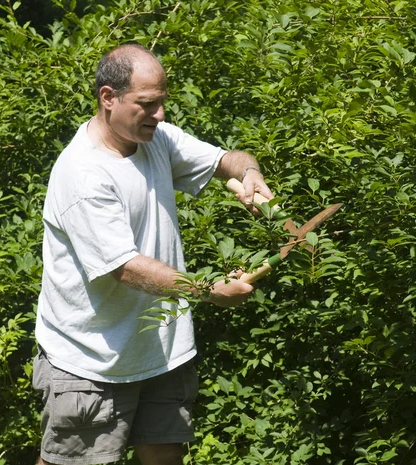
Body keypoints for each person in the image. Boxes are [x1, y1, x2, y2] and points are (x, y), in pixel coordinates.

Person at [32, 43, 274, 465]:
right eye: (147, 104)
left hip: (161, 350)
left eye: (162, 101)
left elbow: (225, 160)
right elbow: (124, 268)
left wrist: (250, 174)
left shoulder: (155, 139)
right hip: (92, 361)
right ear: (108, 98)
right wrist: (206, 290)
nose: (160, 114)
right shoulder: (83, 174)